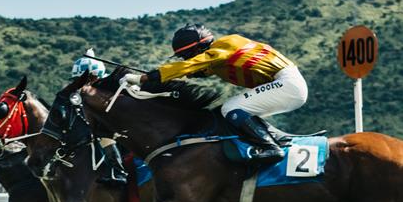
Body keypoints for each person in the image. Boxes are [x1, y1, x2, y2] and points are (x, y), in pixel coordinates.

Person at [125, 24, 307, 163]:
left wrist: (145, 78)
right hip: (286, 84)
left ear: (198, 48)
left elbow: (193, 65)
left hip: (286, 83)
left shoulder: (226, 44)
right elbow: (200, 69)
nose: (186, 59)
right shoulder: (220, 56)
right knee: (237, 111)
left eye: (187, 55)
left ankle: (270, 147)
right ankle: (272, 139)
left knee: (231, 108)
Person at [72, 48, 127, 185]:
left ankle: (119, 172)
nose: (79, 84)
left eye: (83, 80)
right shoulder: (84, 94)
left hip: (120, 128)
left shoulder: (106, 89)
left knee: (104, 139)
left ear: (94, 78)